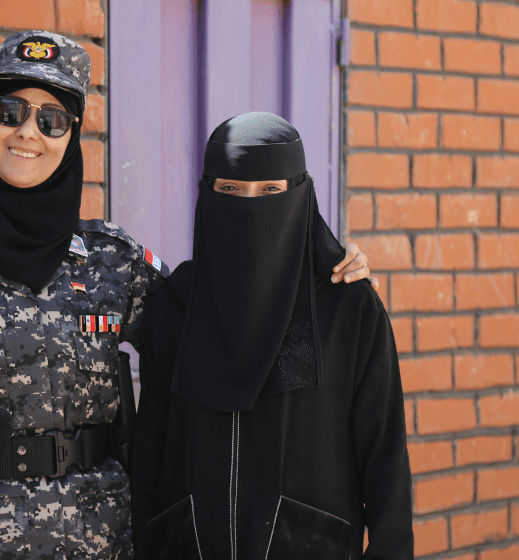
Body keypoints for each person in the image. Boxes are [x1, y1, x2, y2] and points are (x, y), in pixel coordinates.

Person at [0, 32, 376, 559]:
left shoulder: (112, 261)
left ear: (71, 137)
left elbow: (224, 312)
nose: (28, 132)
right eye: (11, 111)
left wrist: (320, 268)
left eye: (52, 119)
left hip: (101, 540)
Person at [130, 113, 413, 560]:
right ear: (207, 195)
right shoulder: (175, 308)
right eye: (230, 189)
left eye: (270, 190)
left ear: (299, 196)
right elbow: (149, 461)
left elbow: (386, 465)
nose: (249, 206)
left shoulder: (347, 309)